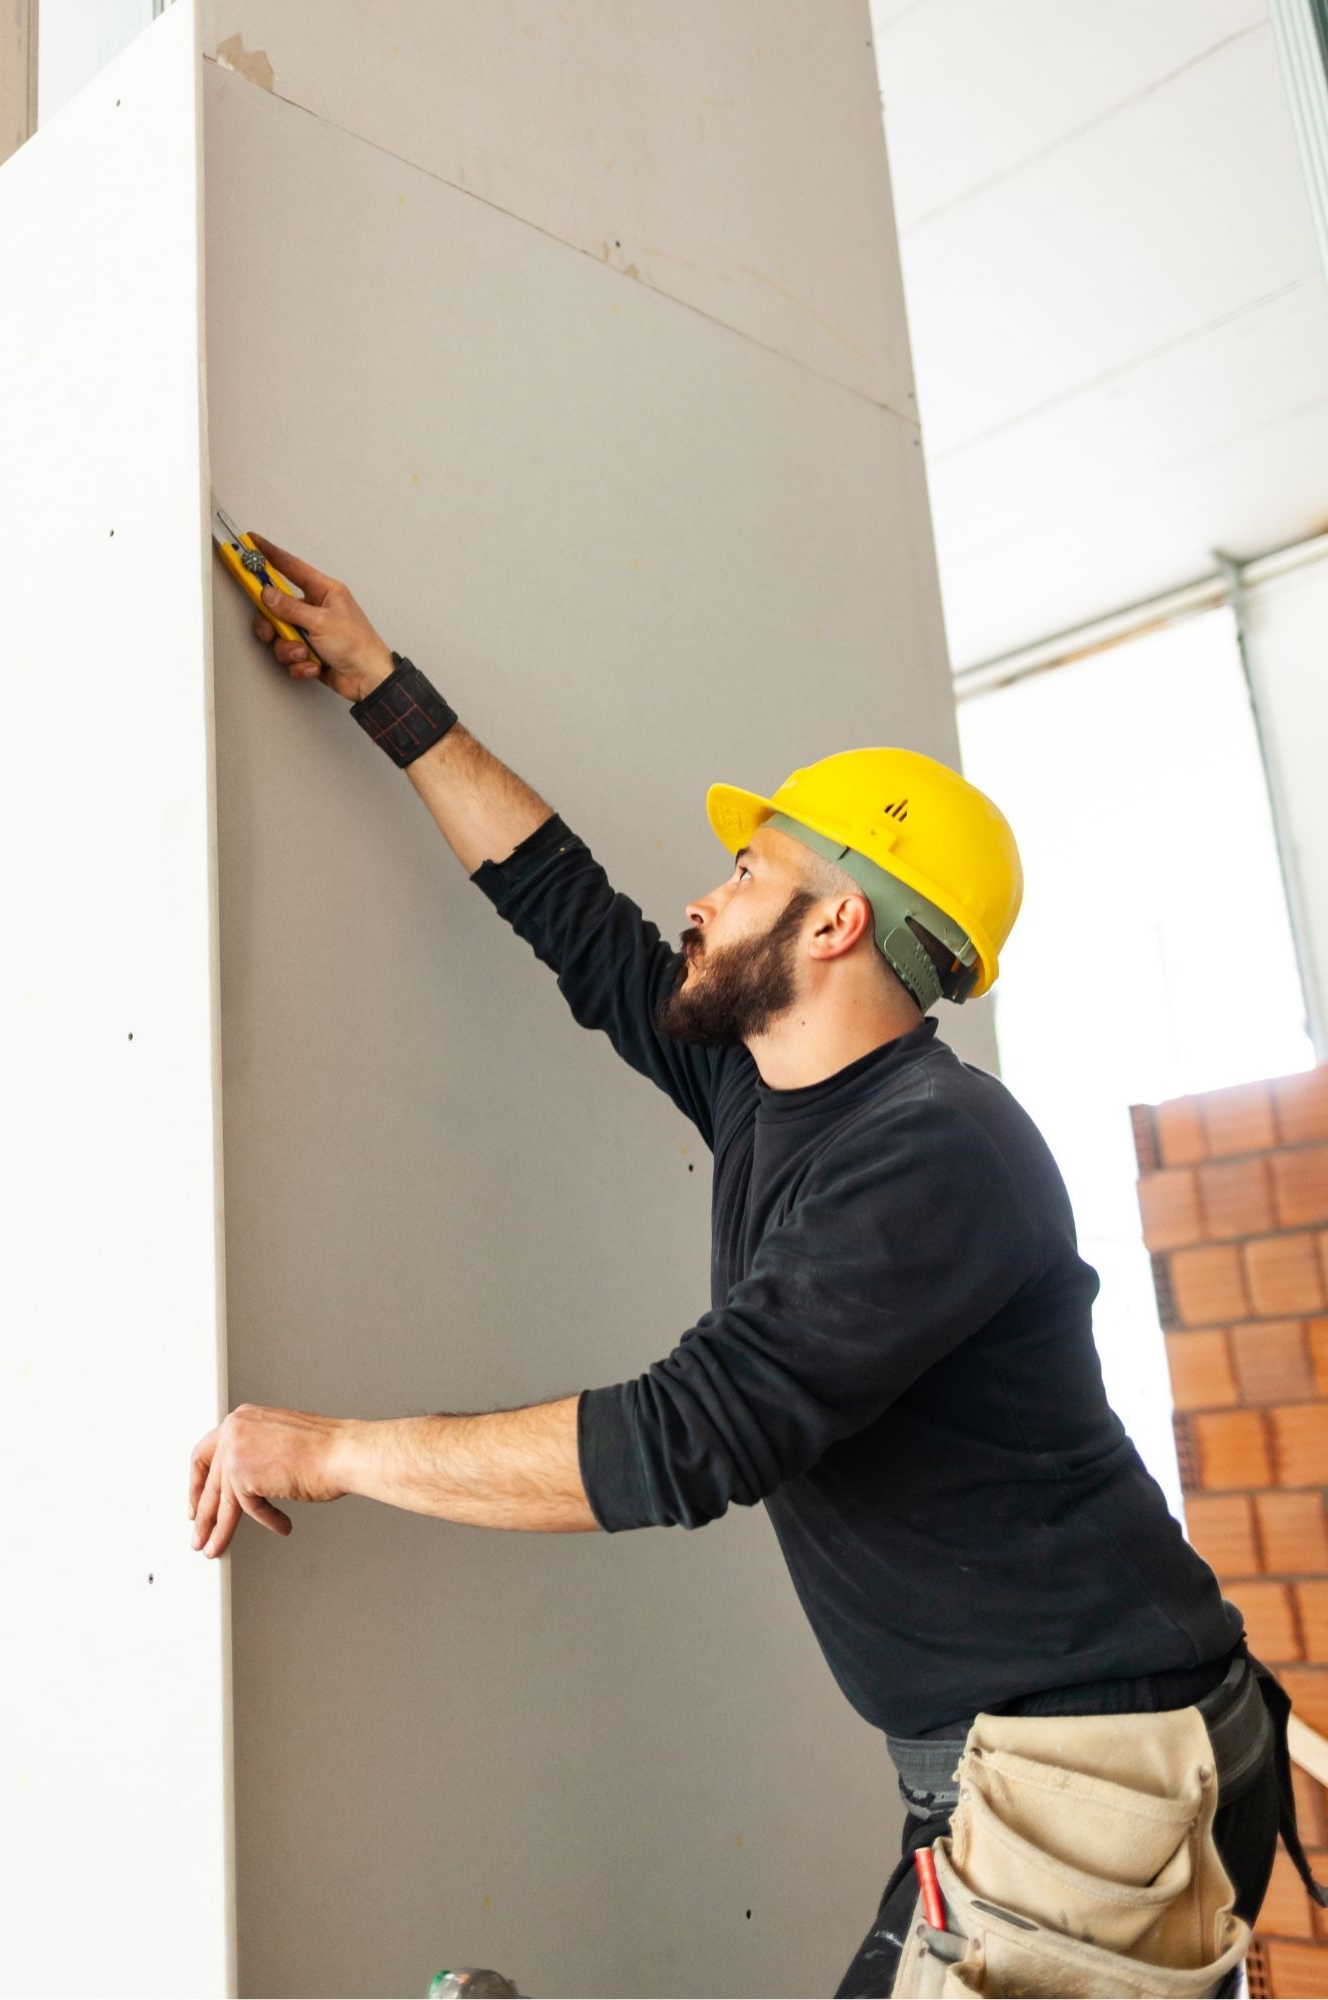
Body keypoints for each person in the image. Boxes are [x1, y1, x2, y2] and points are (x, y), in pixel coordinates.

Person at [188, 533, 1324, 1998]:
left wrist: (327, 1451)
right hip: (1027, 1761)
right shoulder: (771, 1088)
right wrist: (375, 683)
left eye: (745, 869)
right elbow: (574, 919)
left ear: (834, 920)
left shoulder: (934, 1152)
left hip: (1090, 1770)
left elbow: (684, 1438)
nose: (705, 897)